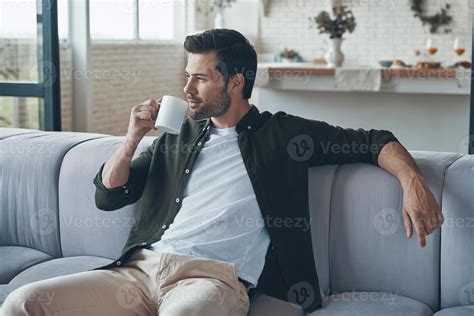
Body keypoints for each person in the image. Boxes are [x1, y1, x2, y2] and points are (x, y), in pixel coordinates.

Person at [3, 28, 443, 316]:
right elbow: (108, 195)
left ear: (236, 82)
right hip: (136, 273)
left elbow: (373, 140)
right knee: (22, 303)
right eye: (187, 76)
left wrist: (411, 181)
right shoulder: (176, 136)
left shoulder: (284, 135)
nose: (186, 89)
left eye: (200, 78)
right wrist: (133, 136)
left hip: (212, 279)